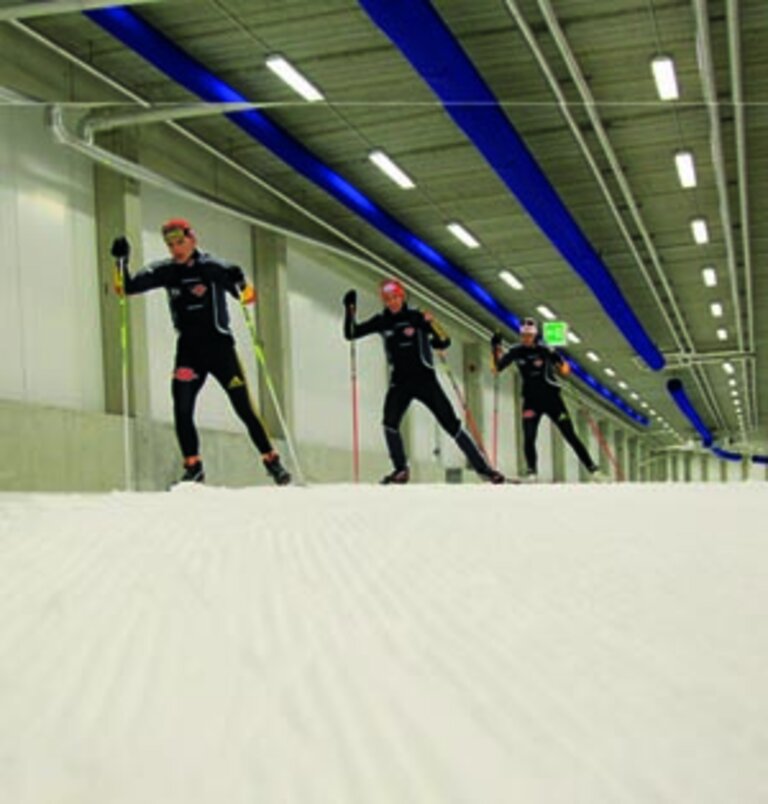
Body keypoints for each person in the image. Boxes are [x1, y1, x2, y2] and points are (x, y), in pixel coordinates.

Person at [110, 218, 290, 486]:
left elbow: (248, 298)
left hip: (220, 349)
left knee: (244, 408)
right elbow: (124, 288)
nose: (176, 249)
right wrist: (121, 262)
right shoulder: (166, 271)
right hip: (189, 352)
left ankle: (272, 462)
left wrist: (241, 281)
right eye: (170, 245)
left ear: (193, 239)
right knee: (182, 408)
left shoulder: (213, 267)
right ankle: (193, 467)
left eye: (180, 242)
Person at [343, 278, 504, 484]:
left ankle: (484, 469)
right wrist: (349, 309)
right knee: (389, 423)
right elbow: (351, 333)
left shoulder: (416, 317)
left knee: (451, 424)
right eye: (387, 299)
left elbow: (444, 341)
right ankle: (401, 469)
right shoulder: (382, 321)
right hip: (400, 382)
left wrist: (432, 324)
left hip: (425, 380)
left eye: (395, 297)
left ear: (402, 297)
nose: (392, 302)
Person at [491, 317, 603, 482]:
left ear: (535, 335)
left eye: (529, 335)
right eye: (523, 335)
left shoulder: (544, 350)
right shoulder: (516, 351)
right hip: (531, 401)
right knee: (529, 436)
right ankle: (532, 471)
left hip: (552, 400)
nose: (526, 339)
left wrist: (558, 357)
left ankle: (592, 468)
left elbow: (565, 371)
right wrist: (495, 348)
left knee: (570, 434)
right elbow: (496, 369)